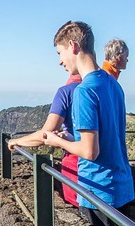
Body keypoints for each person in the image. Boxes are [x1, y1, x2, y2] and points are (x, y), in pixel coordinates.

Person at [40, 21, 135, 226]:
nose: (60, 61)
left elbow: (90, 151)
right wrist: (73, 140)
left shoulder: (85, 91)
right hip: (121, 189)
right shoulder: (113, 84)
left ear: (73, 46)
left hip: (98, 192)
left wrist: (55, 140)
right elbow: (106, 137)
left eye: (60, 53)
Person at [9, 63, 84, 207]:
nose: (61, 62)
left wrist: (16, 141)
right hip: (110, 174)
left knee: (84, 215)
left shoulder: (66, 92)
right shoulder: (107, 88)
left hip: (76, 168)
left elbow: (45, 135)